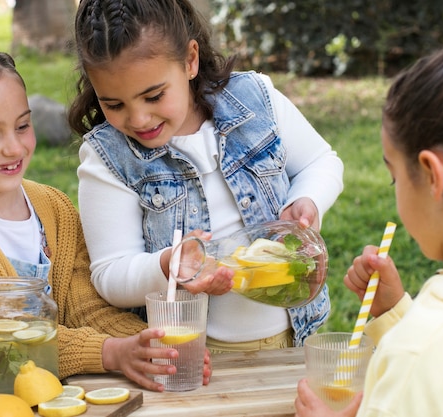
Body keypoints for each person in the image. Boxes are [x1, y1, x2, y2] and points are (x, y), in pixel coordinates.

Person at [0, 43, 212, 392]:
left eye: (23, 125)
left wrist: (152, 345)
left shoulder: (53, 207)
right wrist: (109, 352)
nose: (14, 147)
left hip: (57, 394)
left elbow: (85, 307)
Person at [68, 0, 344, 352]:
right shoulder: (109, 156)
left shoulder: (254, 100)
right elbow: (110, 274)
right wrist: (169, 265)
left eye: (153, 96)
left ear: (190, 60)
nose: (137, 119)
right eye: (115, 104)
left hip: (296, 338)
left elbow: (321, 161)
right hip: (193, 352)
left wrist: (306, 200)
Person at [295, 39, 443, 417]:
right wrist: (395, 313)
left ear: (434, 177)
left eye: (394, 177)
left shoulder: (417, 354)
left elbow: (433, 354)